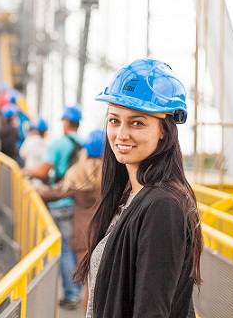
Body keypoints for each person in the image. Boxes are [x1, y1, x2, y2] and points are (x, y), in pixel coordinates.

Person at [74, 58, 203, 318]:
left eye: (137, 123)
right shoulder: (129, 197)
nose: (121, 134)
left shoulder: (162, 207)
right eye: (114, 121)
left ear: (164, 131)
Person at [35, 128, 104, 312]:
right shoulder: (114, 175)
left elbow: (56, 193)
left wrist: (37, 191)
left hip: (83, 235)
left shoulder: (78, 172)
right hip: (106, 233)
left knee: (90, 284)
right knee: (105, 285)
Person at [22, 105, 84, 309]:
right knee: (75, 248)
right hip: (80, 203)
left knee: (65, 249)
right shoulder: (84, 145)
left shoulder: (59, 144)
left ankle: (71, 294)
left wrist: (28, 171)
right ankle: (79, 291)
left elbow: (43, 170)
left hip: (60, 202)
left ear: (66, 122)